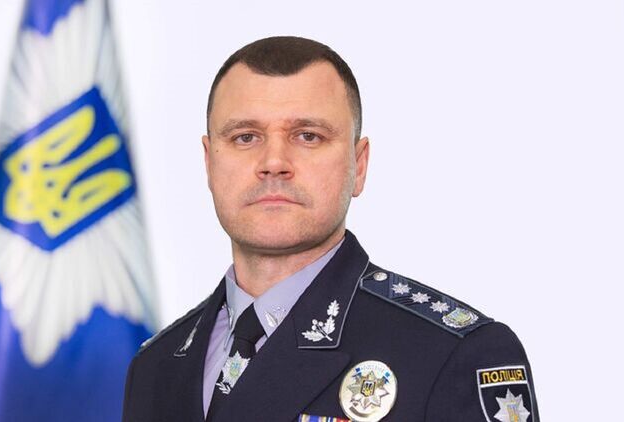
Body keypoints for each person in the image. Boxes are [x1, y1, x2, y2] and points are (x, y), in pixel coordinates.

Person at [122, 36, 539, 422]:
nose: (273, 162)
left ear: (359, 165)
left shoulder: (453, 354)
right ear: (209, 162)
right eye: (245, 137)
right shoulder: (156, 364)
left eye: (308, 136)